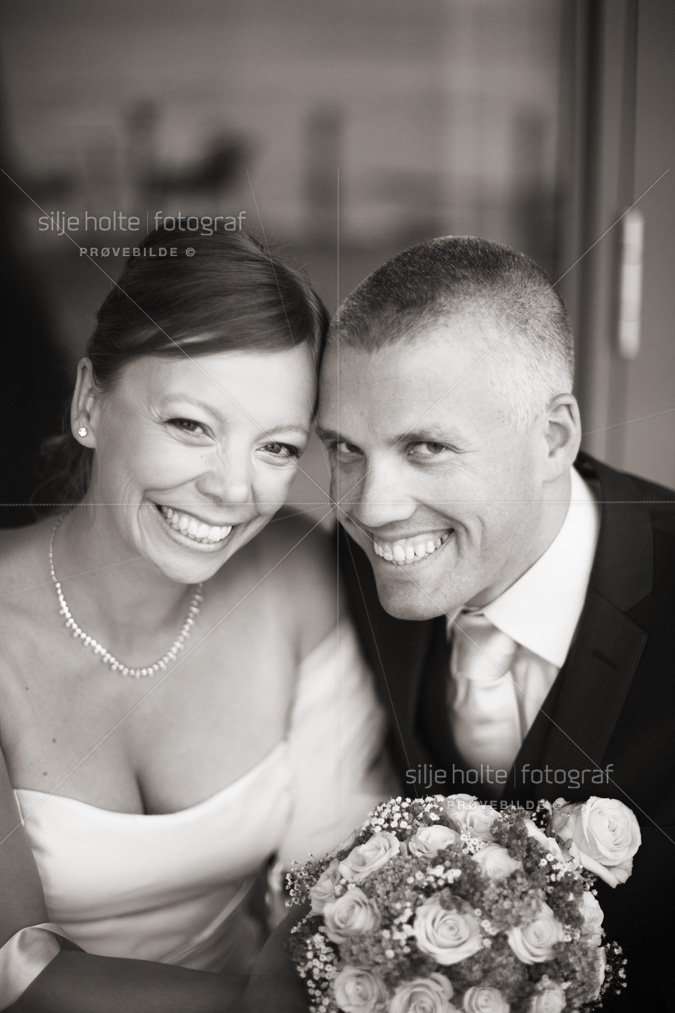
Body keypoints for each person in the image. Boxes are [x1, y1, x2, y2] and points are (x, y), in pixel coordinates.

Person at [240, 237, 675, 1012]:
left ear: (553, 437)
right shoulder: (344, 576)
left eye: (426, 447)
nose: (370, 507)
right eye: (345, 449)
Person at [0, 226, 393, 1012]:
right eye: (189, 425)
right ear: (89, 402)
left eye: (276, 447)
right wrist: (269, 1005)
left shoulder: (295, 578)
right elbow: (15, 968)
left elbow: (339, 875)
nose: (232, 489)